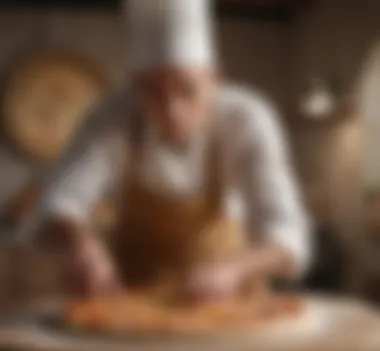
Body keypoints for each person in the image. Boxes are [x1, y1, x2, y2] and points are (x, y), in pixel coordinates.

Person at [27, 0, 311, 300]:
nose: (171, 109)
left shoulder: (247, 118)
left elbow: (287, 234)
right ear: (135, 85)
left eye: (187, 89)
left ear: (214, 80)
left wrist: (235, 269)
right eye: (153, 91)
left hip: (230, 307)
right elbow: (58, 204)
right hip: (132, 309)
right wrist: (80, 245)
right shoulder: (111, 117)